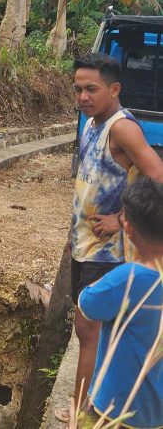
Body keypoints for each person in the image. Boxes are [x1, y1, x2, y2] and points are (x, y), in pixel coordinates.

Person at [58, 53, 163, 423]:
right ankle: (88, 402)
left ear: (114, 89)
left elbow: (158, 175)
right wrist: (76, 233)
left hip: (109, 249)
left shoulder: (122, 128)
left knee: (87, 327)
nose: (83, 97)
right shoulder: (90, 123)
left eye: (92, 89)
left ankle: (82, 410)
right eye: (78, 89)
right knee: (89, 328)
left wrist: (122, 219)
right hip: (87, 243)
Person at [77, 176, 163, 428]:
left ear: (129, 230)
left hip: (115, 410)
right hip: (156, 413)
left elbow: (88, 302)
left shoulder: (128, 278)